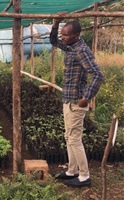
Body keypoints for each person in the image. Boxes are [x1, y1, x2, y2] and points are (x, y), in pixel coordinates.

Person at [50, 12, 104, 187]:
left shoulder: (81, 51)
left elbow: (98, 74)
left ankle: (84, 176)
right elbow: (53, 41)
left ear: (76, 35)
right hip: (68, 100)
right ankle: (71, 171)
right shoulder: (71, 47)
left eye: (66, 34)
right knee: (69, 137)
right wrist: (55, 24)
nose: (62, 37)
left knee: (74, 139)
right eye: (63, 34)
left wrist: (87, 97)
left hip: (76, 102)